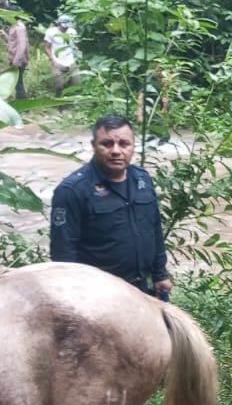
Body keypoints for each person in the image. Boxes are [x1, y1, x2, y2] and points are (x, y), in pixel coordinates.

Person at [50, 114, 172, 298]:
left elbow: (154, 228)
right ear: (93, 146)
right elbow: (63, 253)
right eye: (107, 144)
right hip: (99, 295)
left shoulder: (142, 179)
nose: (116, 151)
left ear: (133, 146)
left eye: (124, 144)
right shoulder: (73, 190)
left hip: (142, 289)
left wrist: (160, 274)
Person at [44, 14, 79, 97]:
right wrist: (53, 60)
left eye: (67, 26)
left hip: (71, 60)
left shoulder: (72, 32)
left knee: (76, 82)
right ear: (59, 24)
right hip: (57, 61)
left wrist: (77, 57)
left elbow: (76, 46)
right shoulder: (51, 32)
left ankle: (68, 100)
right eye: (64, 26)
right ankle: (59, 103)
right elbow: (47, 47)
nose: (65, 28)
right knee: (59, 85)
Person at [2, 4, 29, 100]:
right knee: (17, 81)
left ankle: (22, 101)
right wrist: (4, 35)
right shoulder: (15, 25)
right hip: (15, 58)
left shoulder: (19, 27)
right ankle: (21, 100)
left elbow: (22, 45)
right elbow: (13, 42)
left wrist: (16, 62)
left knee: (18, 82)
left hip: (18, 60)